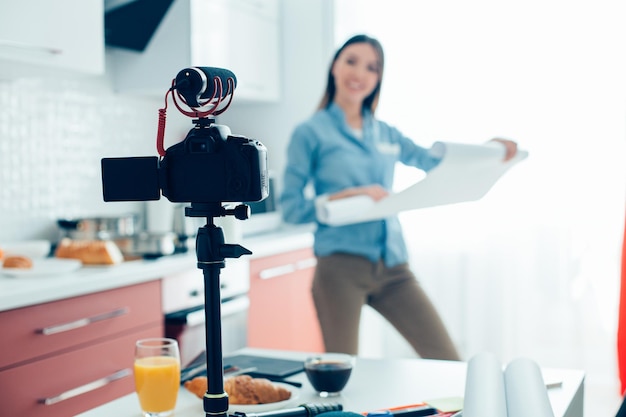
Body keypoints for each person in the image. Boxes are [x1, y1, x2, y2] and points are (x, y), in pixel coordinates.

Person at [279, 34, 517, 360]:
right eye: (351, 61)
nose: (359, 73)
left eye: (372, 68)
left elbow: (437, 165)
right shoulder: (310, 133)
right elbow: (290, 209)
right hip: (340, 270)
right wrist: (343, 198)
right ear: (334, 65)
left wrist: (488, 151)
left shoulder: (386, 133)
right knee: (342, 373)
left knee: (448, 360)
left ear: (378, 78)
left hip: (393, 267)